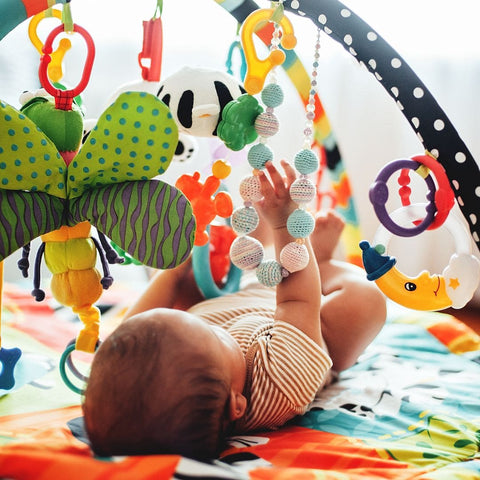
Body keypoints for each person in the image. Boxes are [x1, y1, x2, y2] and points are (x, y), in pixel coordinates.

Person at [82, 160, 387, 460]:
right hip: (303, 317)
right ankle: (315, 260)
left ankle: (267, 251)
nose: (218, 328)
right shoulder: (279, 383)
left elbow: (135, 327)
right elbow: (297, 303)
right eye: (215, 335)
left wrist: (175, 271)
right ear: (236, 404)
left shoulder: (176, 367)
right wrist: (287, 225)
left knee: (245, 218)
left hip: (236, 294)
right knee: (364, 302)